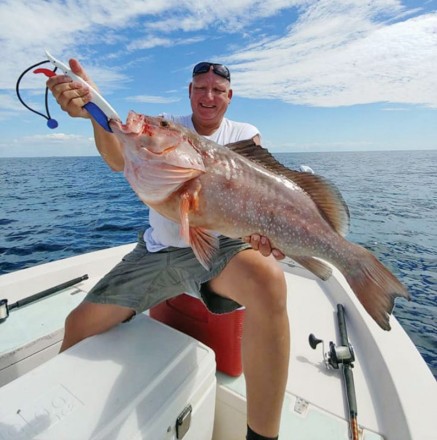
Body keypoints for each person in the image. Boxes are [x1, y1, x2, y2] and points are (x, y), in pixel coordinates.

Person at [47, 60, 290, 440]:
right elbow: (117, 158)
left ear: (229, 97)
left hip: (221, 250)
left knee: (270, 281)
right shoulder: (165, 126)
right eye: (200, 88)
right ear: (189, 92)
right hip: (159, 251)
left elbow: (257, 190)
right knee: (77, 325)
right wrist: (92, 110)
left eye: (217, 90)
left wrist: (263, 231)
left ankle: (262, 436)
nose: (208, 96)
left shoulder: (244, 135)